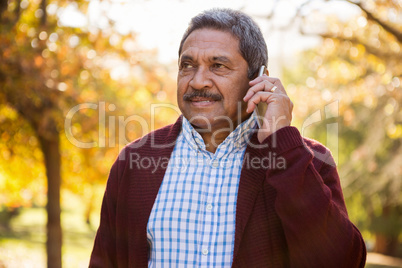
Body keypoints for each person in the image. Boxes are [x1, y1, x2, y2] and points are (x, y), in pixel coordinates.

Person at [89, 8, 366, 268]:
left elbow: (341, 260)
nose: (198, 81)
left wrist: (282, 144)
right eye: (187, 65)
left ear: (258, 79)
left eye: (218, 65)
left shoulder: (309, 161)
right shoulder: (134, 162)